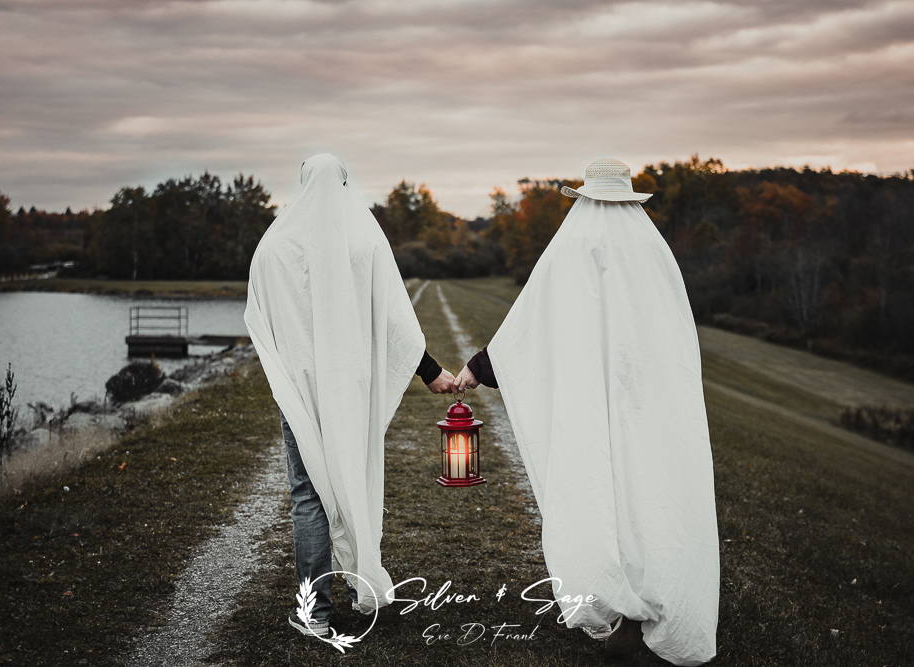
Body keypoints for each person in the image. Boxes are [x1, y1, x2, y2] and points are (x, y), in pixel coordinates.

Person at [455, 158, 719, 665]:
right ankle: (652, 590)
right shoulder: (652, 246)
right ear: (626, 197)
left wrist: (477, 368)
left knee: (599, 483)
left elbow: (534, 319)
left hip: (594, 391)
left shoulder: (574, 243)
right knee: (650, 488)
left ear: (586, 197)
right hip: (647, 394)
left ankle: (609, 595)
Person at [244, 154, 454, 637]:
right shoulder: (365, 240)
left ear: (301, 185)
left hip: (300, 388)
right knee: (351, 475)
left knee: (307, 492)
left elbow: (260, 318)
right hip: (352, 387)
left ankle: (314, 613)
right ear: (342, 183)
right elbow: (394, 318)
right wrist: (431, 372)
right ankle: (356, 586)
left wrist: (288, 369)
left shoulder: (274, 246)